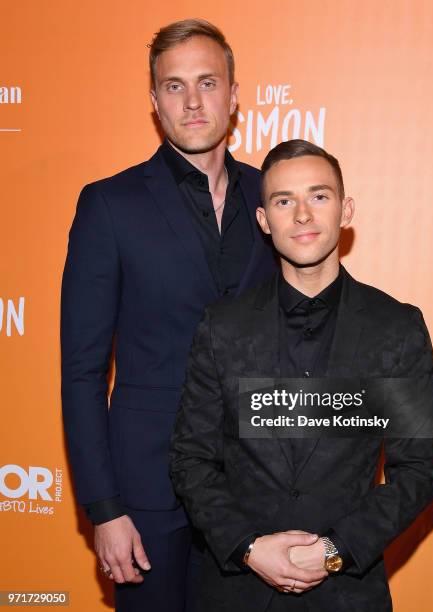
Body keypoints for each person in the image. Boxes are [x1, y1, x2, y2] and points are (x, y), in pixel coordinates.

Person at [169, 139, 433, 611]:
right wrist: (250, 548)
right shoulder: (222, 326)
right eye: (283, 201)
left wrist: (334, 551)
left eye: (319, 196)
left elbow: (416, 470)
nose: (302, 215)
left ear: (346, 209)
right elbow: (191, 458)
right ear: (263, 221)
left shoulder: (397, 327)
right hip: (237, 593)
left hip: (348, 593)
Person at [60, 18, 276, 612]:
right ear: (154, 102)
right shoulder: (109, 205)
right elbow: (81, 371)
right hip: (147, 491)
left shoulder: (274, 199)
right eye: (174, 86)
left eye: (207, 82)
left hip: (255, 487)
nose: (193, 101)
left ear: (234, 95)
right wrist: (104, 509)